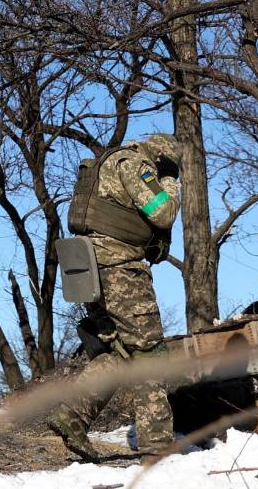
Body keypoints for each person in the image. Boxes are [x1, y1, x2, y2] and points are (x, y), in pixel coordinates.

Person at [49, 132, 181, 461]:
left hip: (87, 267)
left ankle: (72, 418)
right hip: (120, 269)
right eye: (170, 166)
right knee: (150, 353)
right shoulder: (136, 165)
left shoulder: (109, 164)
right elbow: (162, 212)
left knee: (117, 350)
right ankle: (157, 447)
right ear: (161, 155)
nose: (169, 172)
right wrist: (171, 183)